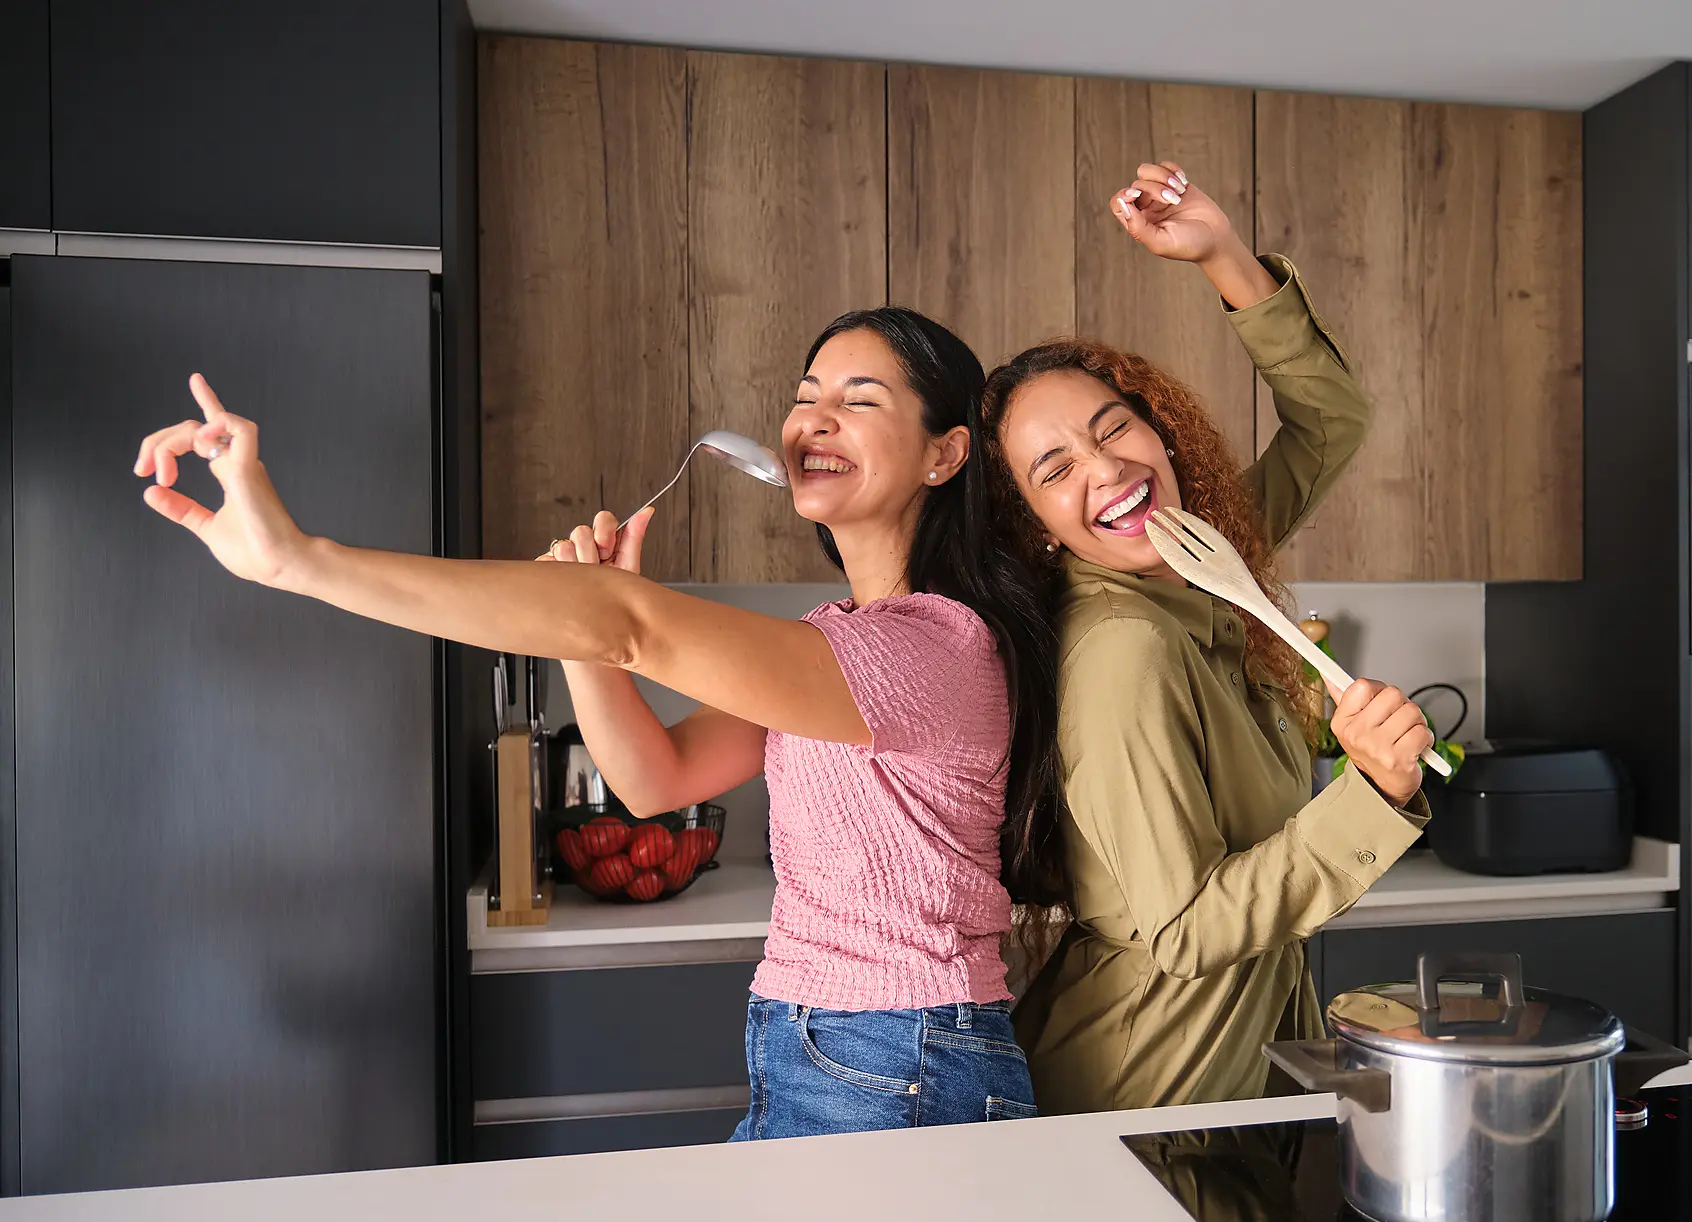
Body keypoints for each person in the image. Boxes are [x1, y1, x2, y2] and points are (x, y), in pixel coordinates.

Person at [133, 307, 1060, 1139]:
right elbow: (655, 777)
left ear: (945, 453)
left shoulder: (933, 644)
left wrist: (301, 560)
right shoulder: (833, 643)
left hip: (900, 1059)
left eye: (859, 400)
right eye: (805, 394)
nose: (811, 418)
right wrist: (585, 635)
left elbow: (630, 626)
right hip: (828, 1046)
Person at [978, 162, 1434, 1114]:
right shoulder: (1120, 648)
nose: (1106, 471)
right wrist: (1374, 793)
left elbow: (1331, 420)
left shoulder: (1202, 554)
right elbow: (1183, 928)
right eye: (1056, 469)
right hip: (1153, 1094)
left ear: (1163, 429)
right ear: (1033, 525)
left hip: (1233, 1071)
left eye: (1117, 429)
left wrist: (1224, 255)